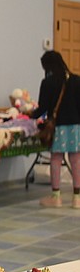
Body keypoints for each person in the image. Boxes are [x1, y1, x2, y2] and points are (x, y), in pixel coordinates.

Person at [30, 50, 80, 208]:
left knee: (56, 159)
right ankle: (77, 198)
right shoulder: (76, 80)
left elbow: (43, 110)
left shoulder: (48, 82)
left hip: (58, 126)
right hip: (76, 125)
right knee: (76, 159)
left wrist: (30, 116)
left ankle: (56, 197)